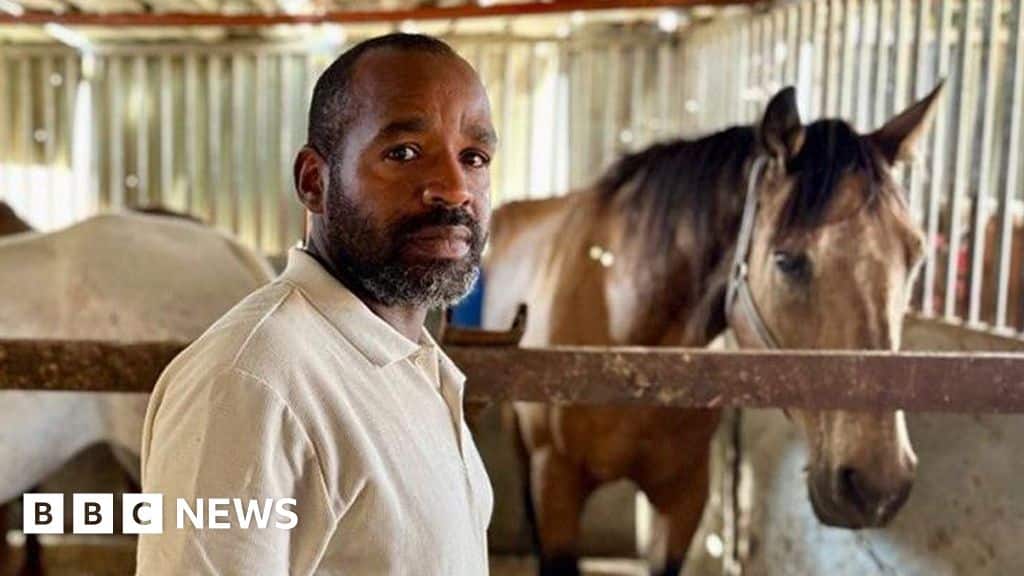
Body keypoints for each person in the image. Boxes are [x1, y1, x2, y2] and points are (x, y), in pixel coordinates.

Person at [136, 33, 497, 575]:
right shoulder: (251, 383)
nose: (453, 187)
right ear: (314, 183)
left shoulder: (415, 364)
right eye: (403, 153)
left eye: (474, 157)